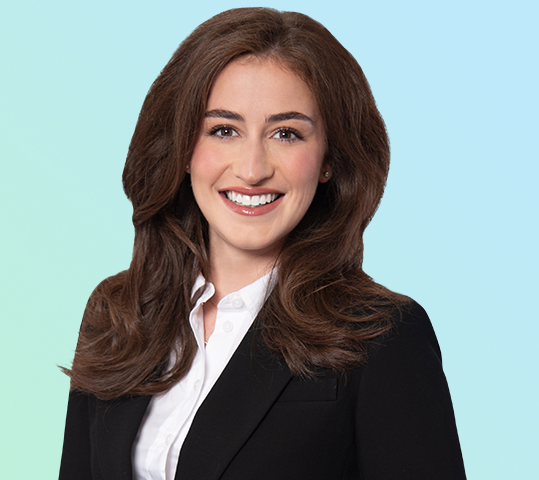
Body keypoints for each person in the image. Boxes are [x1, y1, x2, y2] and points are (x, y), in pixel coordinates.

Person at [59, 7, 466, 480]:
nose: (252, 169)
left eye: (286, 134)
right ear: (183, 149)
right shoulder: (118, 311)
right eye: (224, 130)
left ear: (329, 159)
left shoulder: (383, 336)